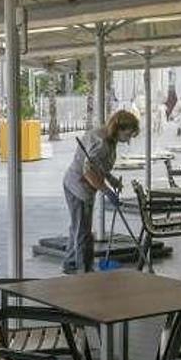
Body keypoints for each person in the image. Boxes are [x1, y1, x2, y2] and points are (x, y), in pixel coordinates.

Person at [61, 110, 140, 274]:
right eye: (129, 134)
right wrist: (107, 191)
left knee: (78, 226)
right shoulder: (102, 142)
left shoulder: (110, 139)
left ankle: (70, 263)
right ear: (120, 128)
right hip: (77, 187)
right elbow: (88, 172)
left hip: (82, 186)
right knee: (83, 231)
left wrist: (111, 179)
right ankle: (85, 271)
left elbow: (99, 165)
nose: (129, 139)